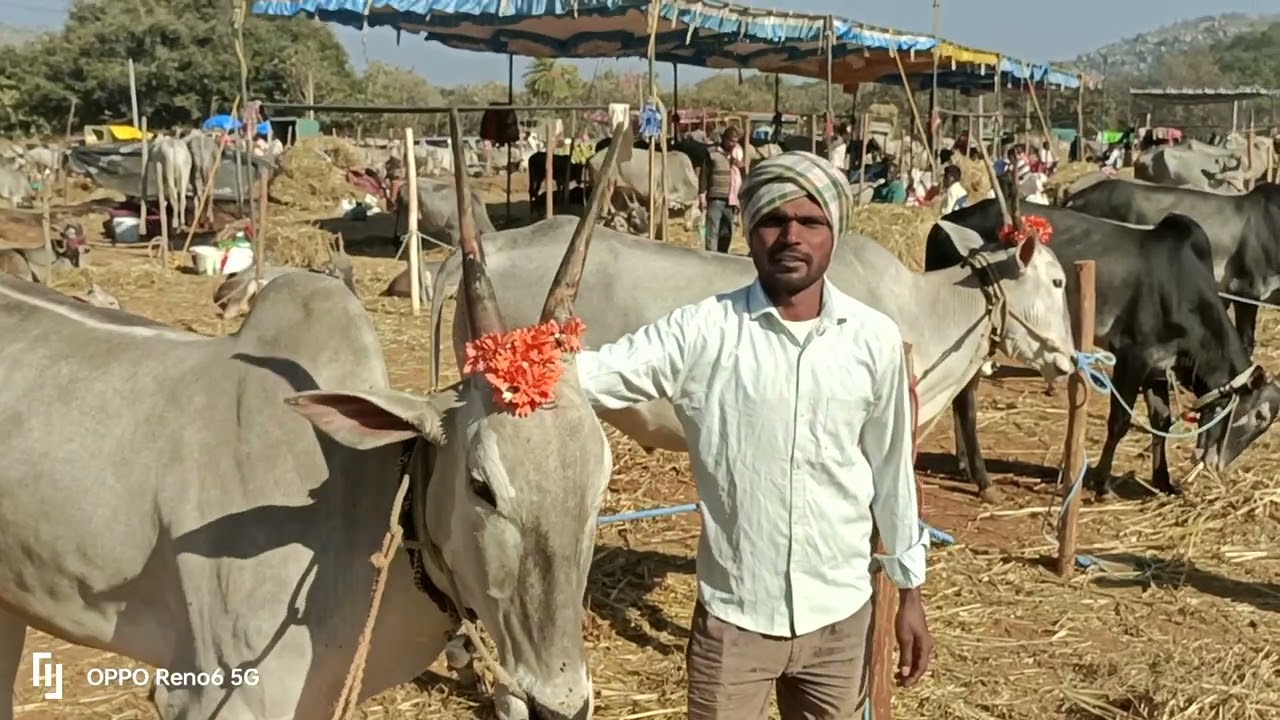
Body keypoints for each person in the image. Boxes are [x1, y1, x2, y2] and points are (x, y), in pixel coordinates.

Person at [575, 151, 932, 720]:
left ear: (833, 234)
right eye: (773, 220)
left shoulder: (874, 340)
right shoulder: (702, 330)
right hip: (735, 621)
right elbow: (594, 374)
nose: (791, 235)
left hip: (841, 618)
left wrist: (910, 592)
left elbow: (891, 471)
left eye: (810, 222)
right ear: (748, 233)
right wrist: (511, 364)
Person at [699, 126, 745, 253]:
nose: (733, 144)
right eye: (730, 140)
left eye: (735, 141)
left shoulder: (737, 156)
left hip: (731, 200)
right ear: (724, 139)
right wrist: (702, 195)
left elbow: (743, 176)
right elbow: (704, 175)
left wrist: (739, 165)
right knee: (712, 230)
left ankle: (723, 256)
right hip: (715, 198)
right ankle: (711, 257)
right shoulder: (712, 153)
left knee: (726, 232)